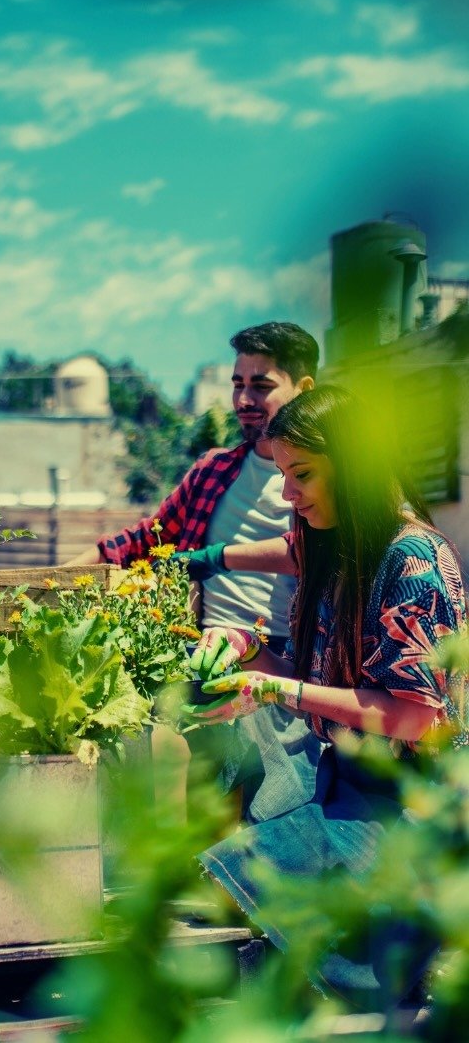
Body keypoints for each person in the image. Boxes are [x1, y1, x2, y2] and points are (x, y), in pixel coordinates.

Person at [186, 384, 467, 1008]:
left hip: (422, 808)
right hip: (351, 779)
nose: (288, 493)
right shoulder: (335, 547)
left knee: (301, 919)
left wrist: (274, 686)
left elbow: (418, 718)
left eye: (302, 473)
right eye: (284, 474)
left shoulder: (411, 558)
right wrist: (249, 654)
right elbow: (325, 684)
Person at [68, 322, 322, 822]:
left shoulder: (317, 478)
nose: (245, 398)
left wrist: (217, 556)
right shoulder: (214, 470)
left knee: (222, 756)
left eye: (262, 385)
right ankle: (179, 868)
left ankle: (206, 872)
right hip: (200, 645)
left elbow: (317, 552)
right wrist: (52, 577)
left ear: (303, 389)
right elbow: (147, 540)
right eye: (237, 383)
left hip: (282, 653)